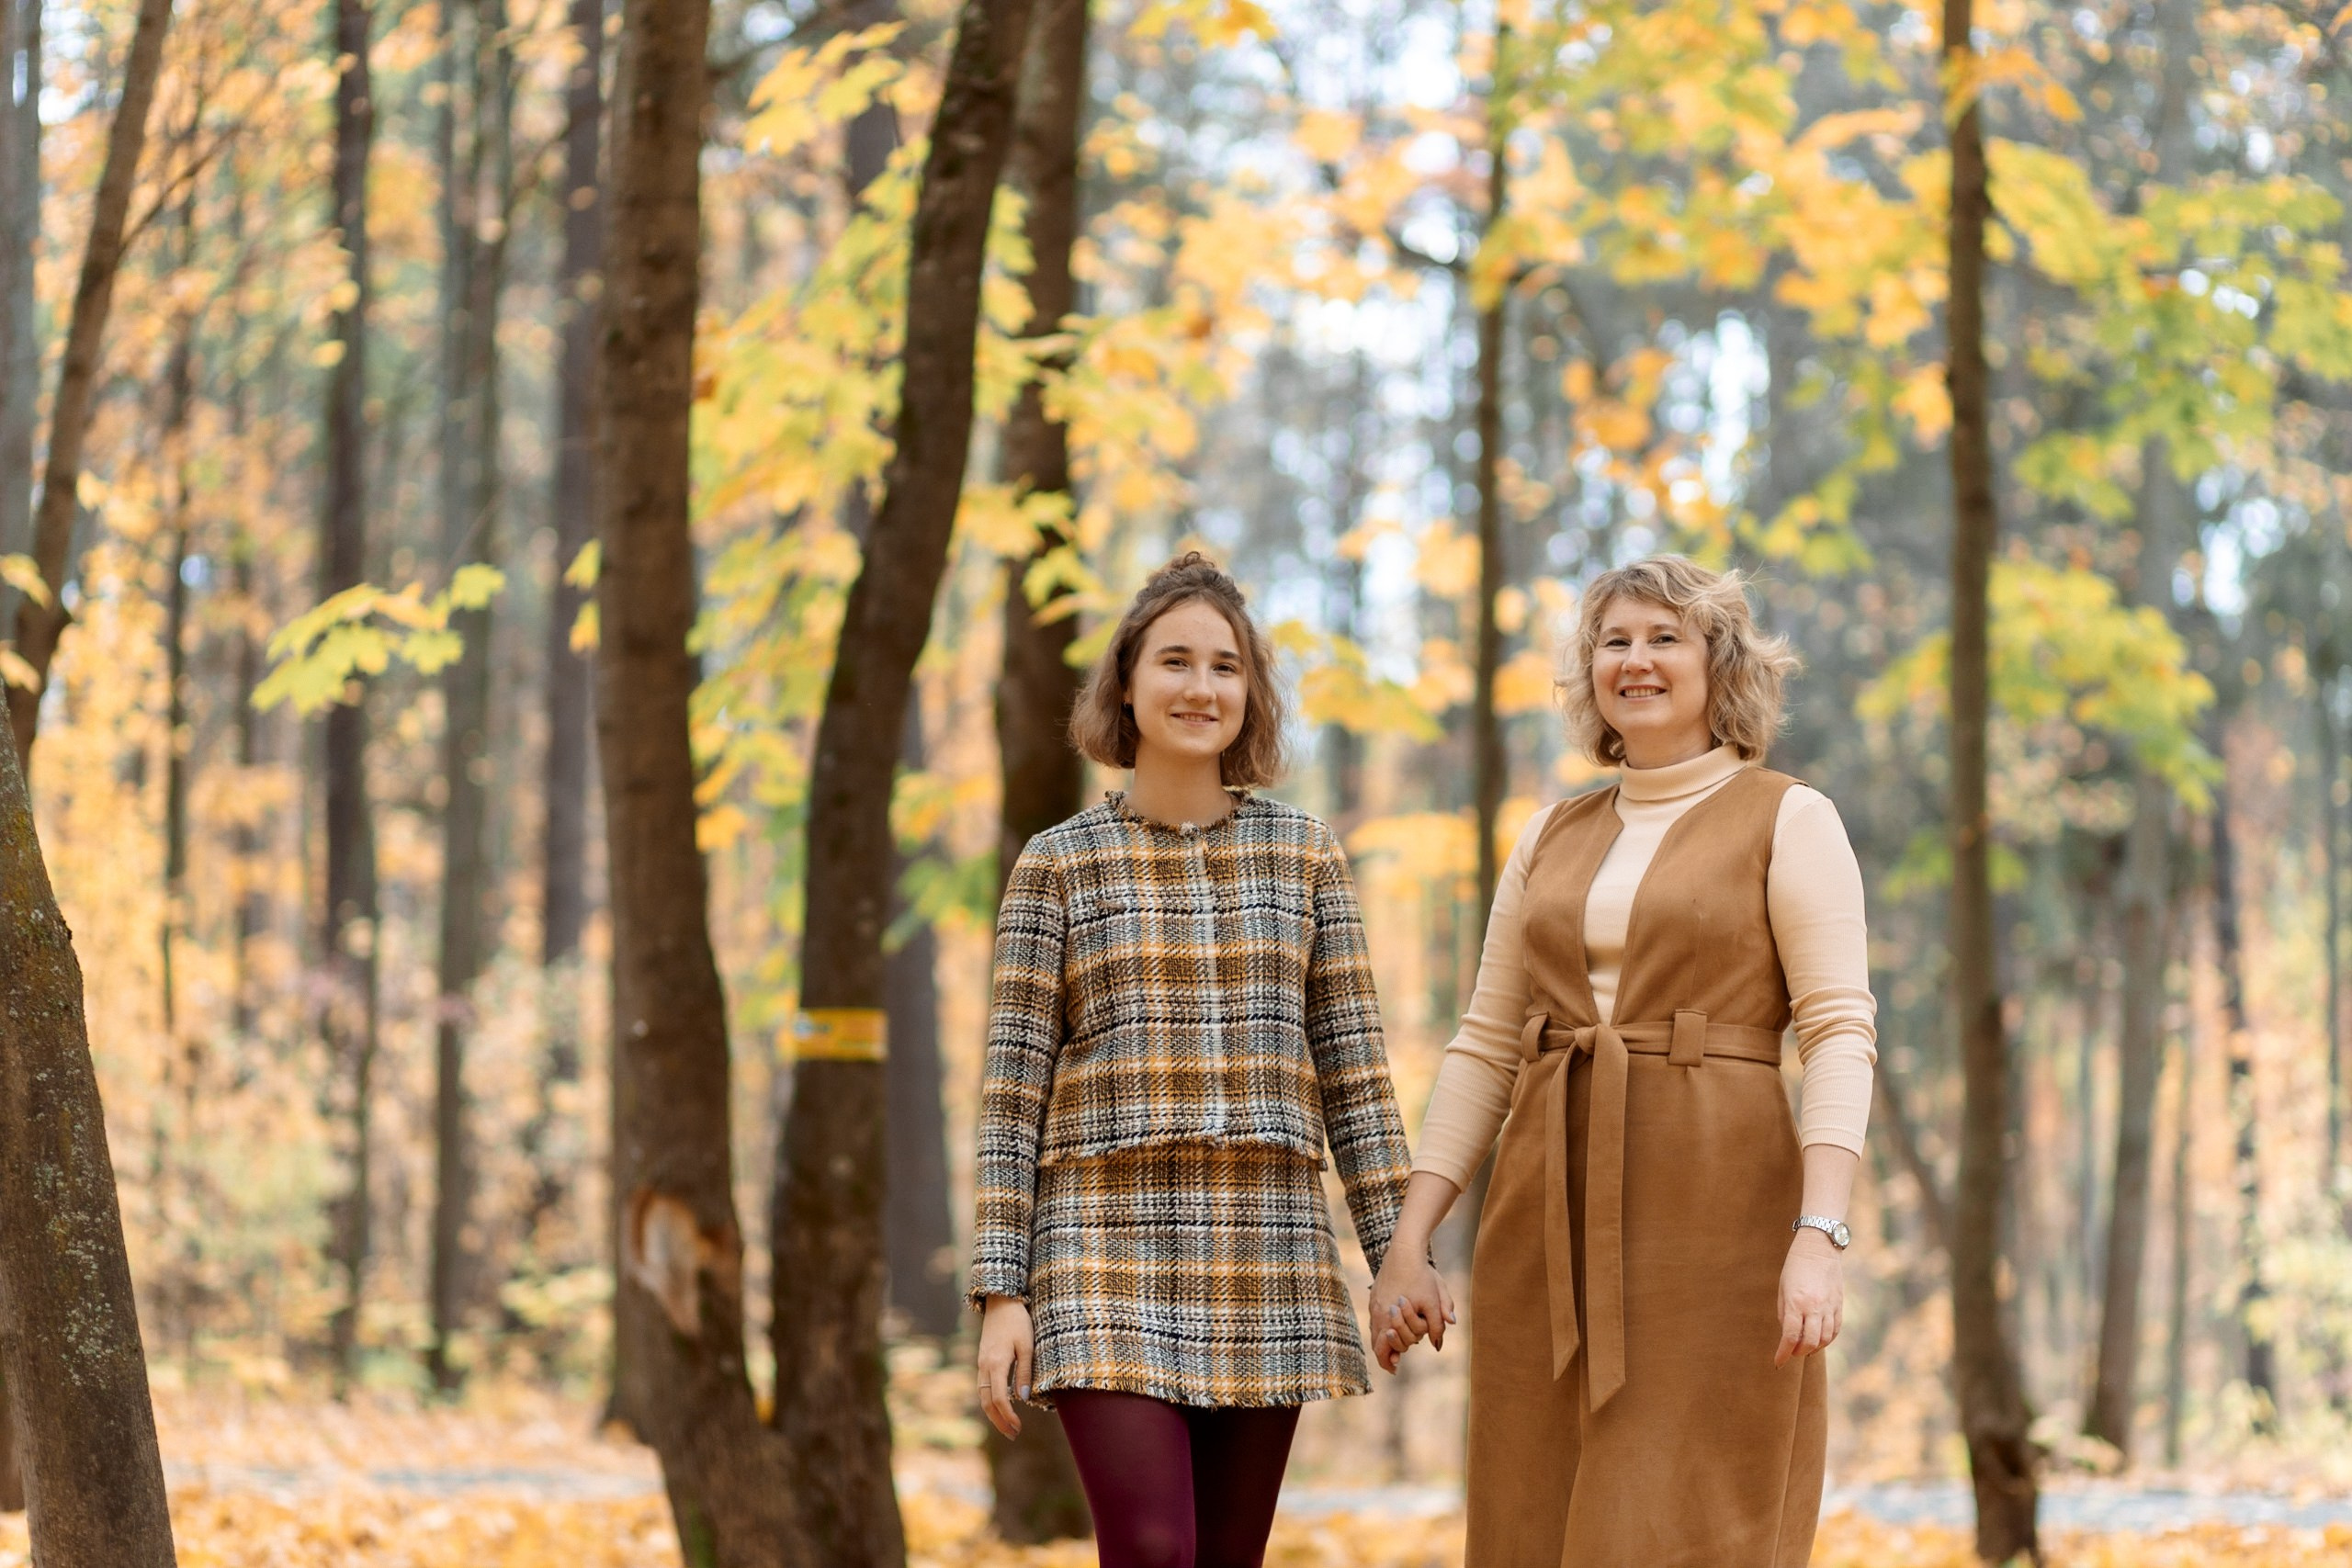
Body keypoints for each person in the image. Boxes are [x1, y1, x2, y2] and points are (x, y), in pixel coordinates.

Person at [1371, 555, 1876, 1567]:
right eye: (1614, 641)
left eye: (1662, 638)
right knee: (1532, 1504)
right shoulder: (1552, 834)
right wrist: (1408, 1238)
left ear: (1715, 662)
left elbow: (1837, 1030)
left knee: (1685, 1507)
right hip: (1542, 1216)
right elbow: (1483, 1041)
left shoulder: (1789, 817)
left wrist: (1818, 1234)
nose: (1634, 661)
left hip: (1718, 1216)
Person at [971, 551, 1412, 1568]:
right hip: (1098, 1244)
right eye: (1174, 661)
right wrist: (1003, 1293)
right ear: (1126, 683)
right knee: (1156, 1550)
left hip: (1264, 1243)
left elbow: (1354, 1071)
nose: (1199, 687)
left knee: (1224, 1559)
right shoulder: (1058, 863)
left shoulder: (1306, 855)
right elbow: (1009, 1099)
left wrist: (1398, 1247)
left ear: (1249, 692)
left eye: (1224, 667)